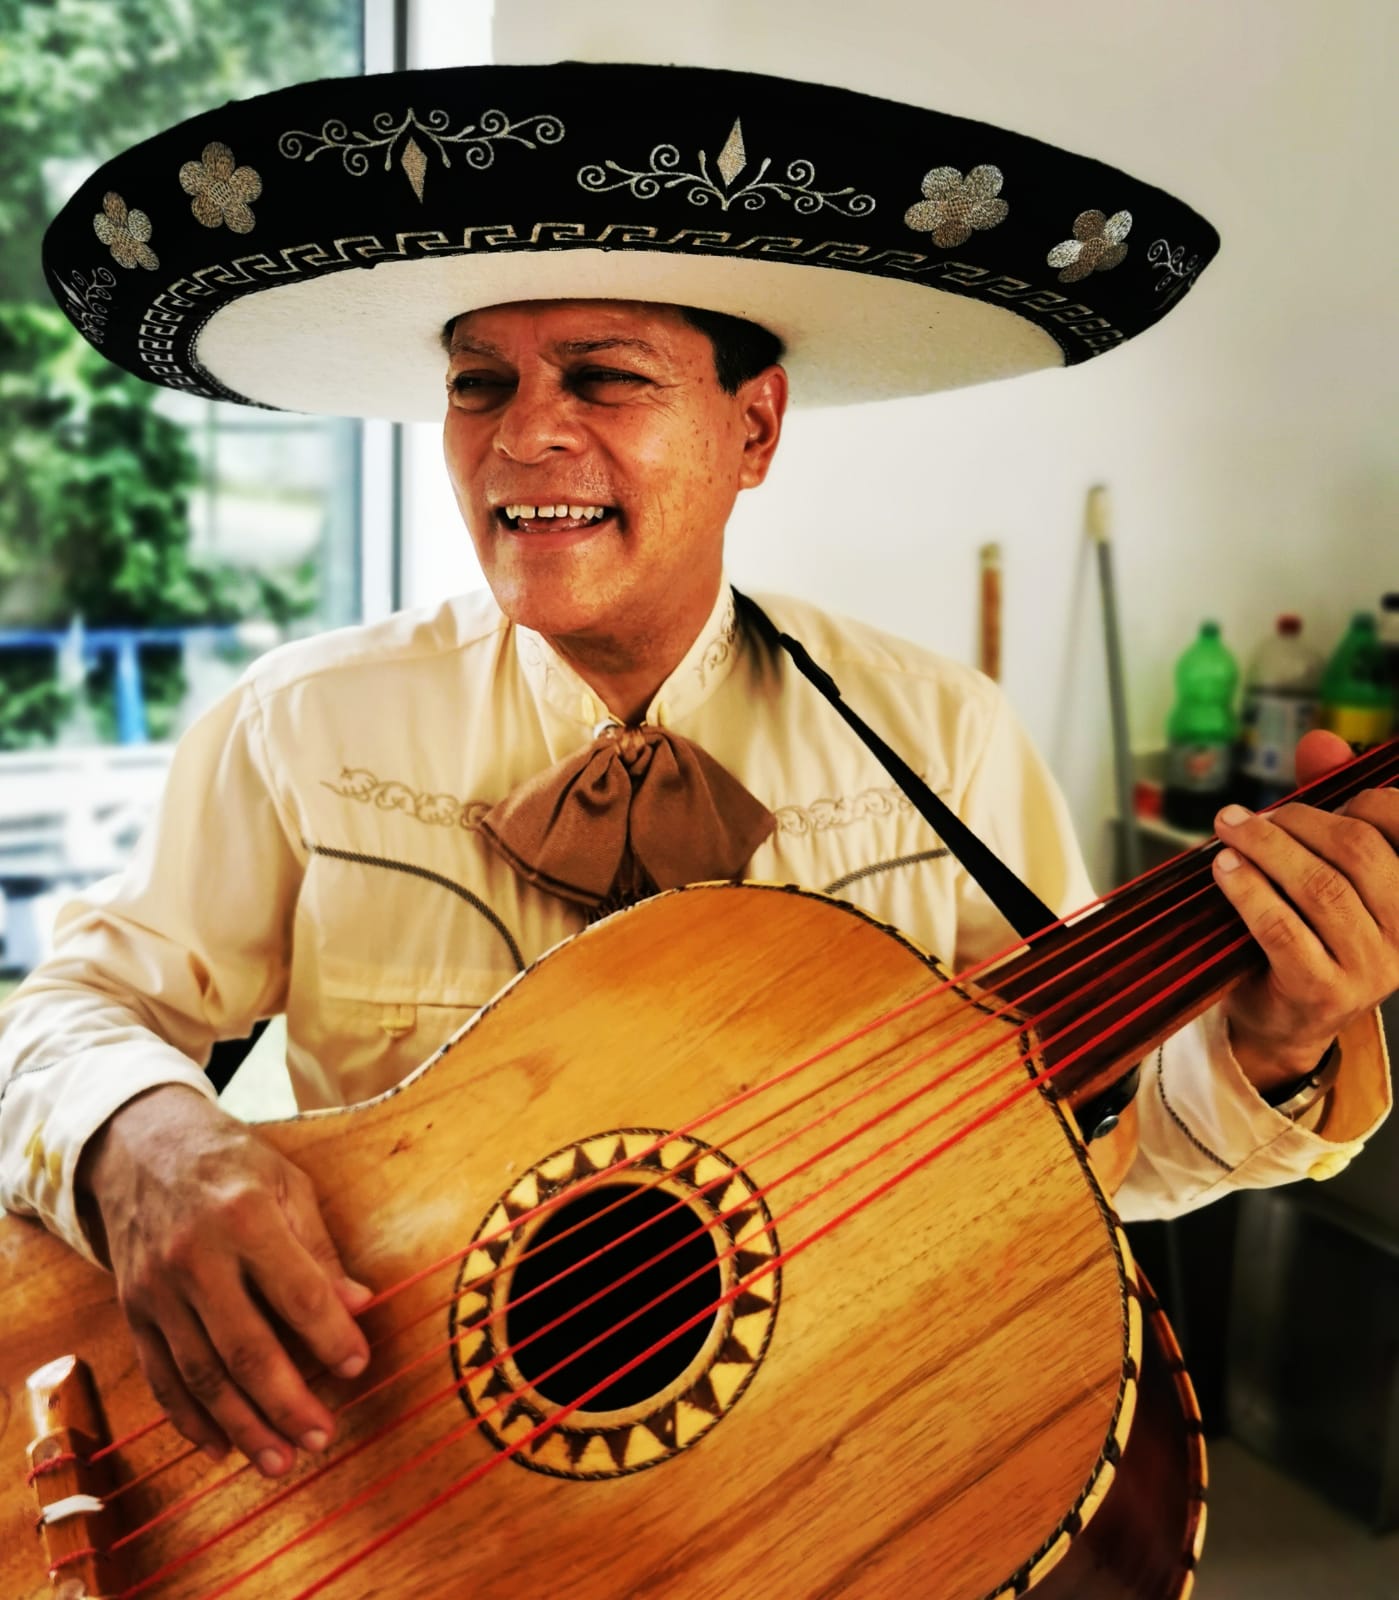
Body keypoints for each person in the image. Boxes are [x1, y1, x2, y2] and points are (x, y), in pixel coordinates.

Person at [2, 63, 1394, 1490]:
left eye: (602, 377)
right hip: (395, 1492)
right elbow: (64, 1015)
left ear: (755, 430)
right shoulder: (300, 725)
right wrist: (145, 1142)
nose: (524, 432)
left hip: (812, 1498)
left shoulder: (941, 734)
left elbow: (1089, 1153)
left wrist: (1273, 1039)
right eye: (481, 384)